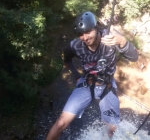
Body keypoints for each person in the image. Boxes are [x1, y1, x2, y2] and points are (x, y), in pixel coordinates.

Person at [46, 11, 138, 140]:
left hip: (107, 85)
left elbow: (134, 57)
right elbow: (67, 59)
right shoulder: (76, 46)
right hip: (86, 83)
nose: (84, 37)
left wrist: (122, 41)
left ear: (96, 28)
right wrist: (76, 76)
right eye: (80, 34)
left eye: (88, 32)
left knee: (112, 129)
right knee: (60, 123)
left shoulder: (110, 38)